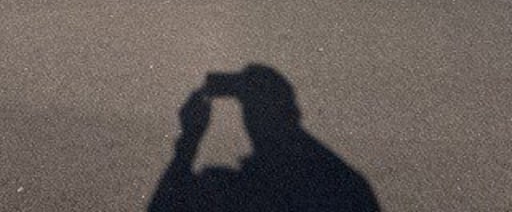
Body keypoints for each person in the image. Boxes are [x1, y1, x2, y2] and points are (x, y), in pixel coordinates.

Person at [148, 65, 380, 211]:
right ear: (292, 111)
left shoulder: (228, 190)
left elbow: (165, 204)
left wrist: (190, 137)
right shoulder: (346, 186)